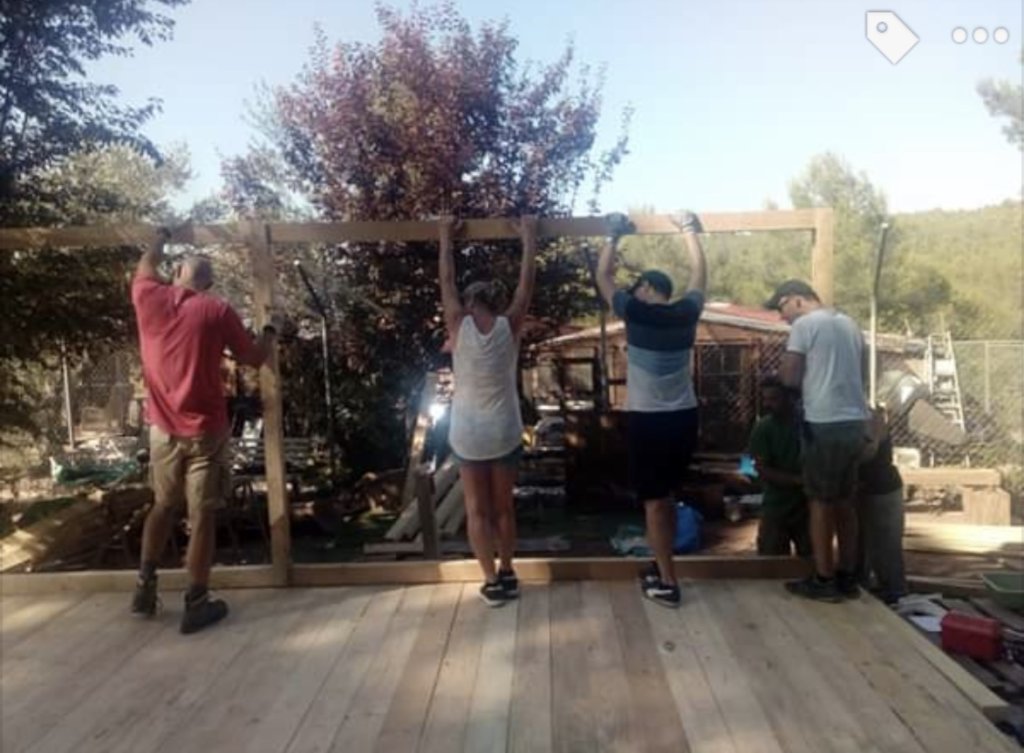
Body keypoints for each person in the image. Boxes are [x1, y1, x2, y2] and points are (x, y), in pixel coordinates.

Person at [131, 229, 277, 633]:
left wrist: (161, 235)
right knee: (203, 515)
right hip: (206, 432)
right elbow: (252, 358)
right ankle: (196, 602)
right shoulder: (217, 310)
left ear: (177, 271)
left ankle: (144, 587)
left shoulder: (148, 297)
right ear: (208, 284)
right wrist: (270, 330)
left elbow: (147, 262)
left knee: (163, 504)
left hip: (162, 429)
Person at [596, 211, 707, 608]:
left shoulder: (635, 312)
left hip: (649, 422)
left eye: (638, 286)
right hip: (684, 418)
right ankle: (663, 568)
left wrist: (613, 235)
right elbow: (700, 276)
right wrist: (689, 231)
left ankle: (668, 583)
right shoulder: (687, 313)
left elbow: (602, 276)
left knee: (655, 501)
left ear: (645, 288)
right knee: (668, 495)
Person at [439, 215, 538, 607]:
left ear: (469, 303)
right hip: (503, 430)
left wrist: (445, 237)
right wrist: (528, 237)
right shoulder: (508, 325)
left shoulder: (457, 324)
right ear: (494, 302)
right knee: (503, 509)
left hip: (468, 433)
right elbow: (526, 285)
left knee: (476, 511)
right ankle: (508, 570)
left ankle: (491, 581)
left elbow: (446, 280)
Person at [766, 279, 870, 602]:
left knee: (820, 503)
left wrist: (782, 377)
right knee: (844, 502)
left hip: (824, 422)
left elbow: (790, 377)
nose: (782, 316)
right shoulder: (850, 324)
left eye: (782, 307)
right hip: (855, 421)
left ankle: (824, 579)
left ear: (797, 300)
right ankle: (848, 576)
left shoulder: (805, 325)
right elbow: (862, 373)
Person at [749, 376, 811, 557]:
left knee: (812, 559)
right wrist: (797, 480)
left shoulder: (808, 424)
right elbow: (761, 468)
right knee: (771, 562)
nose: (768, 404)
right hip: (776, 505)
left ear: (790, 398)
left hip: (807, 504)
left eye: (774, 399)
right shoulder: (763, 428)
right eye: (765, 399)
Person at [857, 407, 907, 603]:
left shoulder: (869, 417)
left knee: (886, 548)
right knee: (861, 543)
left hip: (882, 490)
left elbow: (869, 451)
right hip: (861, 490)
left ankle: (895, 594)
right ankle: (863, 589)